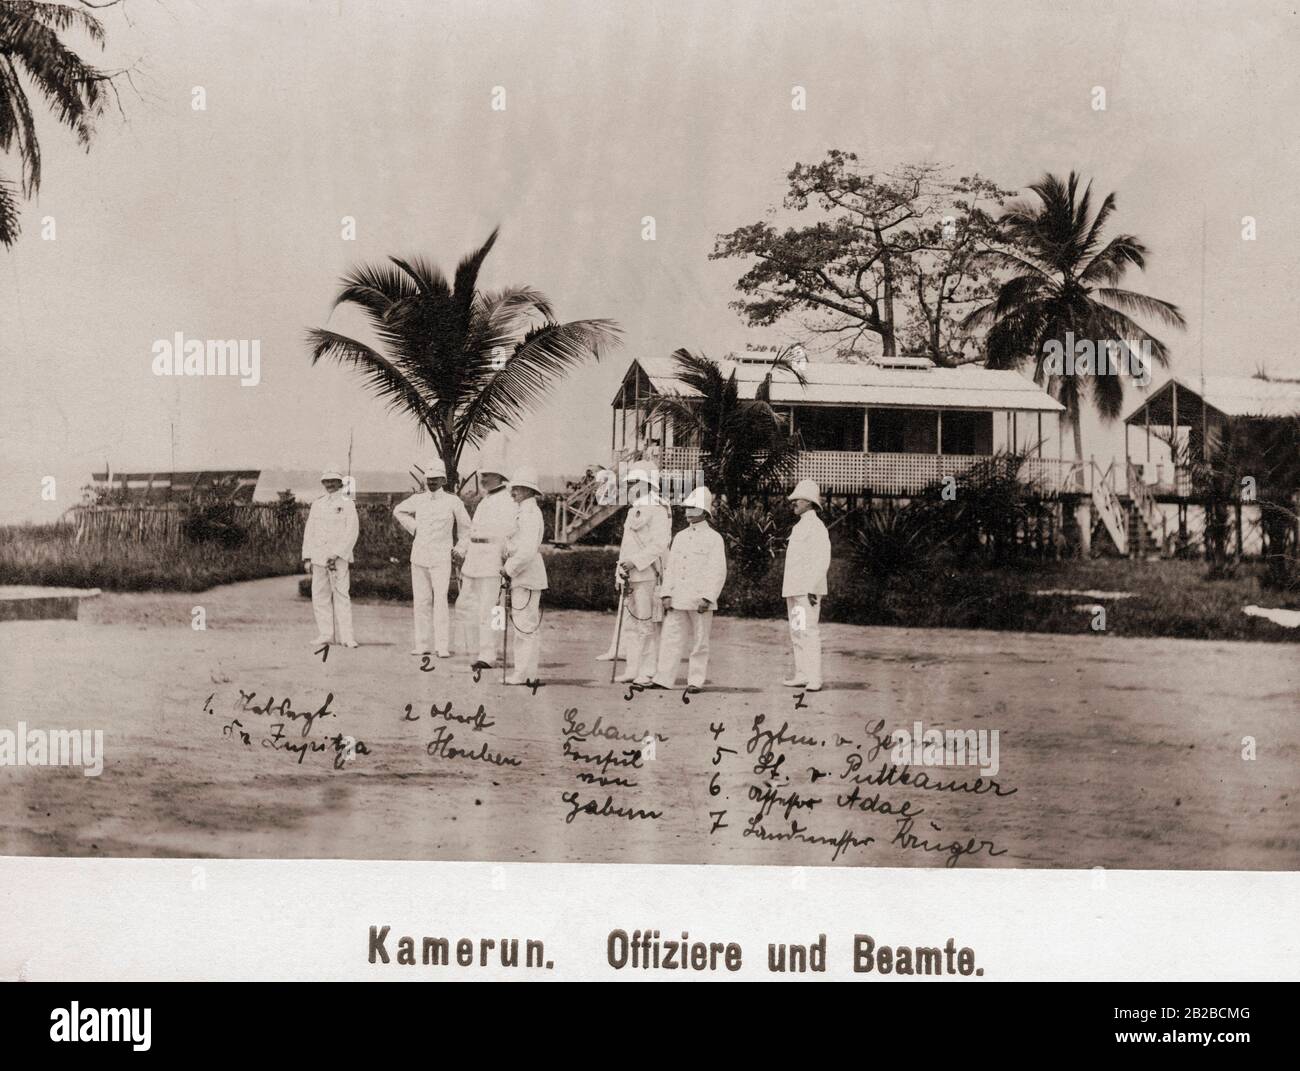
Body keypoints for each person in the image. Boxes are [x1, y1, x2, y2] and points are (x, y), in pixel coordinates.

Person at [649, 486, 726, 694]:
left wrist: (708, 597)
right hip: (678, 597)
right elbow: (671, 567)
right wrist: (666, 593)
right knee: (671, 637)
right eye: (686, 508)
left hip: (700, 599)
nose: (687, 511)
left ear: (703, 511)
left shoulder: (714, 538)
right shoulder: (681, 536)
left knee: (700, 641)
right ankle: (664, 678)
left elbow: (717, 571)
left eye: (692, 507)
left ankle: (696, 680)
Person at [392, 457, 472, 657]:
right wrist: (414, 528)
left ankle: (442, 646)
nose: (431, 482)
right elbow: (398, 510)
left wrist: (460, 548)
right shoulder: (418, 499)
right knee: (421, 601)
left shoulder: (453, 501)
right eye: (429, 478)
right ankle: (422, 644)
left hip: (441, 558)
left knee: (440, 601)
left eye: (436, 478)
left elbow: (466, 528)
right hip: (419, 557)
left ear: (444, 480)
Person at [610, 467, 671, 685]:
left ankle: (647, 670)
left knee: (646, 624)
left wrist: (635, 562)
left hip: (647, 573)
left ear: (646, 484)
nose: (629, 487)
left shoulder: (658, 510)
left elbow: (659, 543)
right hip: (629, 575)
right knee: (630, 625)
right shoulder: (632, 510)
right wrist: (620, 572)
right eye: (629, 483)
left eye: (634, 482)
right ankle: (632, 668)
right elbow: (625, 547)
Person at [455, 455, 517, 670]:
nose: (483, 478)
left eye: (487, 475)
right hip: (474, 560)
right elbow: (473, 531)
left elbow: (510, 533)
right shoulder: (486, 500)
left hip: (492, 561)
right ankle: (479, 648)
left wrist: (505, 560)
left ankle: (489, 653)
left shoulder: (507, 501)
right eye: (482, 474)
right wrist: (462, 550)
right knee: (467, 607)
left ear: (500, 477)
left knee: (492, 611)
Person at [300, 466, 359, 648]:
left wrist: (337, 554)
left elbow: (352, 532)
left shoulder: (348, 503)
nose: (330, 484)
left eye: (333, 481)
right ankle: (326, 634)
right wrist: (308, 557)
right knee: (320, 596)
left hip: (338, 559)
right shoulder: (318, 504)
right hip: (318, 558)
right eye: (326, 481)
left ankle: (347, 637)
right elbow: (310, 532)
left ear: (340, 483)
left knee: (341, 595)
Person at [782, 478, 830, 691]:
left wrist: (813, 587)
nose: (793, 503)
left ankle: (815, 677)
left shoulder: (816, 527)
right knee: (798, 632)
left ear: (809, 502)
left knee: (809, 632)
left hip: (807, 590)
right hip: (794, 588)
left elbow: (822, 559)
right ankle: (802, 674)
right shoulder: (800, 526)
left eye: (797, 500)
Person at [501, 466, 548, 686]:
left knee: (525, 626)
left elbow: (528, 550)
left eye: (518, 488)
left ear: (529, 491)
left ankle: (525, 673)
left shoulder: (530, 513)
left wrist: (508, 568)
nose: (513, 492)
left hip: (526, 574)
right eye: (513, 488)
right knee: (522, 624)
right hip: (521, 574)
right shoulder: (522, 511)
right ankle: (525, 672)